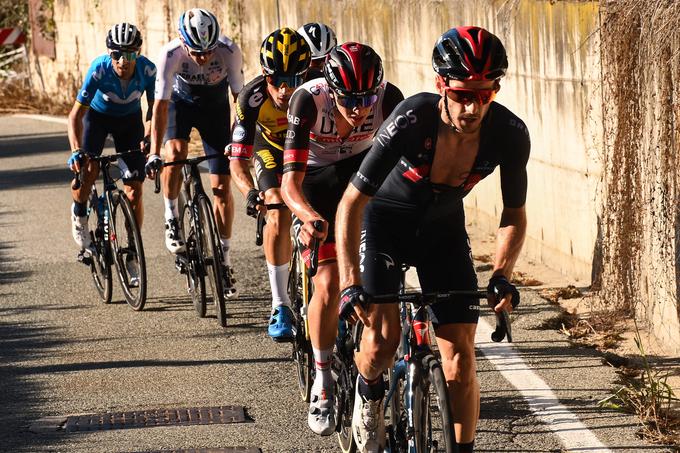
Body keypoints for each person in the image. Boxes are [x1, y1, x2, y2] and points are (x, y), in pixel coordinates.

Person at [334, 26, 529, 453]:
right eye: (462, 94)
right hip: (384, 222)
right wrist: (349, 283)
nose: (473, 107)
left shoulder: (509, 133)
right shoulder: (410, 118)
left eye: (485, 94)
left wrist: (501, 274)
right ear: (441, 84)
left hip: (442, 231)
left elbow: (513, 213)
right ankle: (367, 395)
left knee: (460, 359)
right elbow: (350, 204)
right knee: (381, 342)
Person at [280, 42, 404, 436]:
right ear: (332, 90)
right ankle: (323, 381)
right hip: (315, 182)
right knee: (330, 283)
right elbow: (290, 183)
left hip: (361, 178)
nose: (360, 108)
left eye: (367, 97)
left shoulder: (389, 99)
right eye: (350, 99)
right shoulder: (308, 100)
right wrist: (308, 217)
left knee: (382, 273)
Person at [148, 8, 244, 297]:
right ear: (182, 41)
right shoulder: (170, 54)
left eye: (207, 51)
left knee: (221, 187)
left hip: (215, 109)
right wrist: (155, 152)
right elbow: (160, 107)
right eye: (196, 52)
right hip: (180, 104)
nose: (202, 58)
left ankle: (224, 259)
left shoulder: (228, 50)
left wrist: (240, 142)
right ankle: (171, 216)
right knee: (175, 152)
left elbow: (240, 101)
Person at [228, 27, 311, 341]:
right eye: (277, 80)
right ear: (265, 75)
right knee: (276, 207)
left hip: (307, 149)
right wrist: (250, 191)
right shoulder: (251, 98)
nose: (285, 90)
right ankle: (280, 305)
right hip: (270, 150)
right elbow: (236, 159)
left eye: (294, 81)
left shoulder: (316, 90)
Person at [68, 22, 155, 286]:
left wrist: (150, 136)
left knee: (134, 190)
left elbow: (154, 109)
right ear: (110, 54)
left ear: (137, 54)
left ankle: (131, 251)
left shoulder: (148, 70)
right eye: (116, 54)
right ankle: (80, 210)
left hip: (130, 123)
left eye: (128, 54)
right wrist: (76, 151)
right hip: (97, 120)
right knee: (89, 169)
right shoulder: (99, 69)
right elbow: (75, 116)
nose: (122, 61)